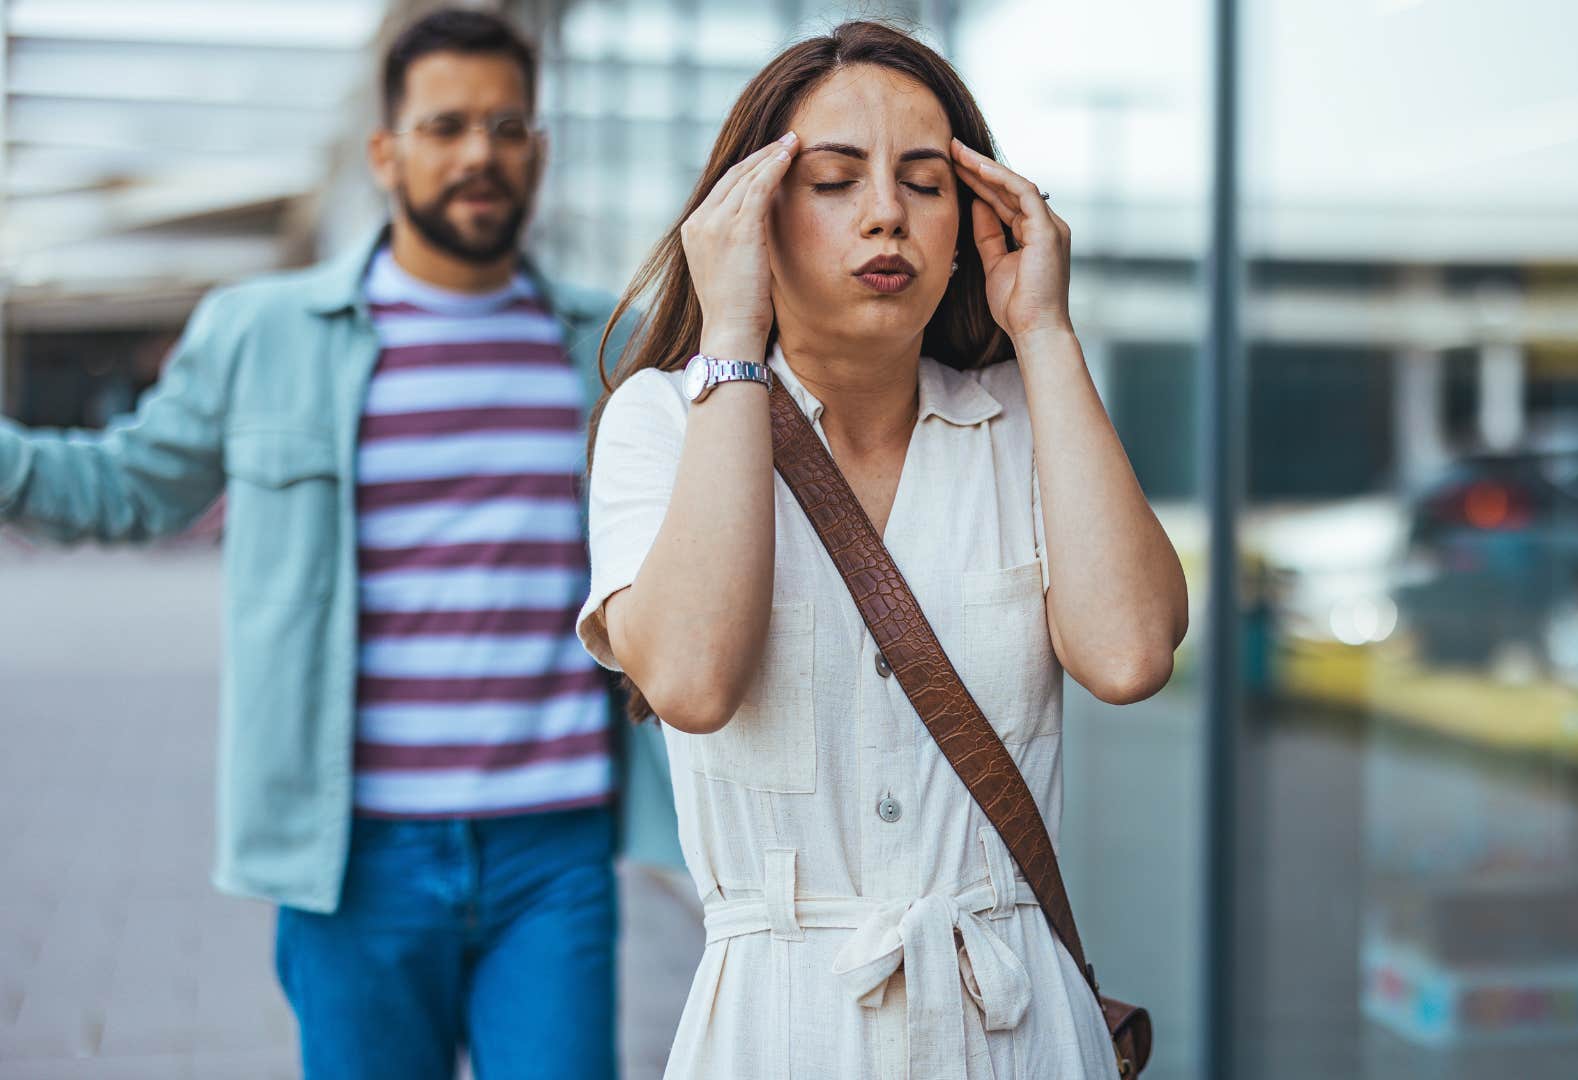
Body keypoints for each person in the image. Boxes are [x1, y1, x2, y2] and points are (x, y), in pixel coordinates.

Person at [0, 9, 679, 1078]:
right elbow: (128, 489)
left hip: (554, 849)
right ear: (386, 151)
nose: (479, 155)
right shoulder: (261, 335)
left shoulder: (614, 348)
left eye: (508, 126)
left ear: (539, 149)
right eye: (446, 125)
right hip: (355, 859)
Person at [577, 20, 1188, 1078]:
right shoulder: (662, 422)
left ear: (971, 224)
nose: (885, 215)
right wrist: (731, 337)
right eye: (833, 180)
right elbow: (690, 676)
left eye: (924, 181)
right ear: (751, 213)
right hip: (779, 1028)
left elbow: (1129, 654)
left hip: (1019, 1031)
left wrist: (1044, 331)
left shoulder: (1027, 421)